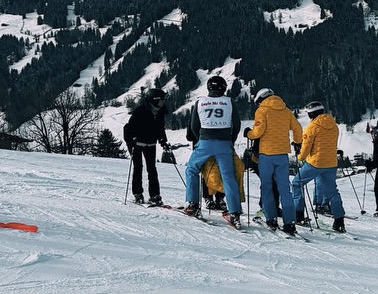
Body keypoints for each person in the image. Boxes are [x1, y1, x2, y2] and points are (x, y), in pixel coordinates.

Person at [183, 74, 243, 223]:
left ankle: (193, 204)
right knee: (228, 176)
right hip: (224, 143)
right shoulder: (229, 102)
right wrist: (231, 140)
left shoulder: (200, 102)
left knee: (191, 170)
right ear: (223, 88)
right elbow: (236, 124)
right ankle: (234, 212)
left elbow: (194, 126)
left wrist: (201, 139)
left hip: (205, 142)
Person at [246, 87, 303, 233]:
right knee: (284, 188)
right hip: (282, 154)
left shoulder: (262, 110)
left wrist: (249, 134)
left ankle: (271, 219)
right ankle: (289, 222)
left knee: (267, 187)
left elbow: (258, 132)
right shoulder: (286, 110)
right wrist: (297, 142)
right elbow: (298, 129)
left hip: (266, 154)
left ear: (261, 99)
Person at [292, 99, 346, 233]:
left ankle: (298, 215)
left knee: (297, 183)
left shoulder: (312, 127)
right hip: (331, 163)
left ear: (311, 114)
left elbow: (305, 151)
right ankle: (339, 221)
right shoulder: (334, 125)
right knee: (332, 191)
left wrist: (299, 156)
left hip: (315, 163)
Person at [123, 86, 171, 207]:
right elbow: (129, 128)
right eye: (161, 99)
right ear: (154, 99)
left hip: (150, 143)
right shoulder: (140, 111)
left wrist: (163, 141)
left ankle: (155, 195)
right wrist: (132, 140)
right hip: (136, 143)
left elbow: (160, 129)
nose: (163, 102)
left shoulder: (160, 112)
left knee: (152, 169)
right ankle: (138, 194)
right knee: (138, 168)